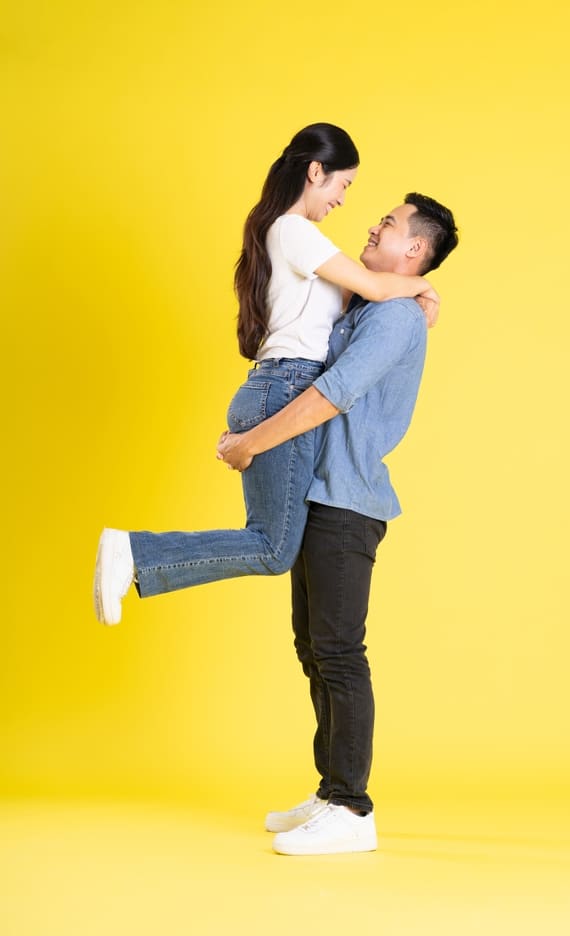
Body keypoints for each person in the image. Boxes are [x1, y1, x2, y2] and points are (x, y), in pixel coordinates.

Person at [94, 123, 437, 625]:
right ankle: (134, 553)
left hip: (274, 384)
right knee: (273, 547)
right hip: (287, 385)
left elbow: (357, 298)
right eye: (343, 185)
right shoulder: (295, 231)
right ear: (316, 172)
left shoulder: (293, 237)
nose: (343, 200)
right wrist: (425, 287)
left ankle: (135, 556)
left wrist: (416, 291)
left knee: (272, 543)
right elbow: (373, 286)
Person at [217, 193, 459, 855]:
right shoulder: (373, 306)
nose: (373, 223)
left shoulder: (392, 319)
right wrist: (415, 290)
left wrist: (251, 443)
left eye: (389, 222)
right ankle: (330, 791)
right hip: (321, 495)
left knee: (339, 654)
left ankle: (351, 810)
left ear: (413, 248)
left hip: (347, 504)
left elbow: (330, 395)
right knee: (313, 648)